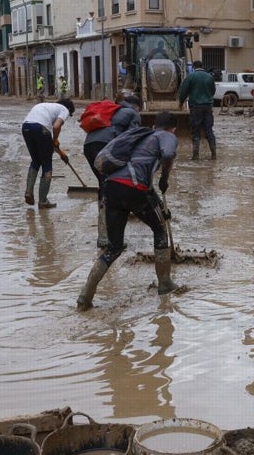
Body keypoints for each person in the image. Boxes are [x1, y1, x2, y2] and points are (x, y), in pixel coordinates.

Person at [77, 110, 179, 310]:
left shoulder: (141, 138)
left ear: (153, 126)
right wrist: (165, 178)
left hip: (112, 188)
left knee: (113, 248)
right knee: (160, 230)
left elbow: (145, 185)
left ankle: (85, 296)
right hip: (134, 189)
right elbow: (167, 154)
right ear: (173, 129)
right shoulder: (167, 136)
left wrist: (159, 205)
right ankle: (165, 284)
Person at [84, 92, 142, 247]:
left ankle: (104, 236)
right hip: (106, 147)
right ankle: (107, 239)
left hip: (89, 146)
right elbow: (132, 137)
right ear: (137, 106)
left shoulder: (113, 110)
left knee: (104, 185)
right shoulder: (133, 113)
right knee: (110, 188)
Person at [22, 97, 74, 208]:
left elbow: (47, 140)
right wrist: (55, 139)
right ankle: (43, 201)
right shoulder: (64, 110)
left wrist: (61, 153)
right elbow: (56, 127)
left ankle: (28, 191)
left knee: (36, 161)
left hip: (26, 127)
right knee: (47, 165)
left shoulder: (45, 106)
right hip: (41, 129)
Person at [178, 60, 216, 160]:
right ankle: (214, 154)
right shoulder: (209, 77)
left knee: (195, 131)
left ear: (194, 67)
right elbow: (213, 91)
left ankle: (195, 155)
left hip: (195, 107)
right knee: (209, 130)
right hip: (208, 107)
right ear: (202, 66)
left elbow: (184, 91)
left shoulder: (191, 77)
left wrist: (181, 102)